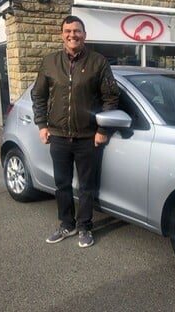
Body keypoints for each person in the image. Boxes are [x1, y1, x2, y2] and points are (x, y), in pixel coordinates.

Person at [31, 15, 119, 248]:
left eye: (77, 31)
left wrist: (102, 128)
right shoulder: (50, 62)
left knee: (87, 186)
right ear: (62, 35)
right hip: (58, 135)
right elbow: (38, 95)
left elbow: (111, 97)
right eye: (68, 31)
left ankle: (84, 227)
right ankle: (66, 225)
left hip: (87, 137)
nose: (73, 35)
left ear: (84, 35)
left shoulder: (98, 62)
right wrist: (41, 124)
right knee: (62, 184)